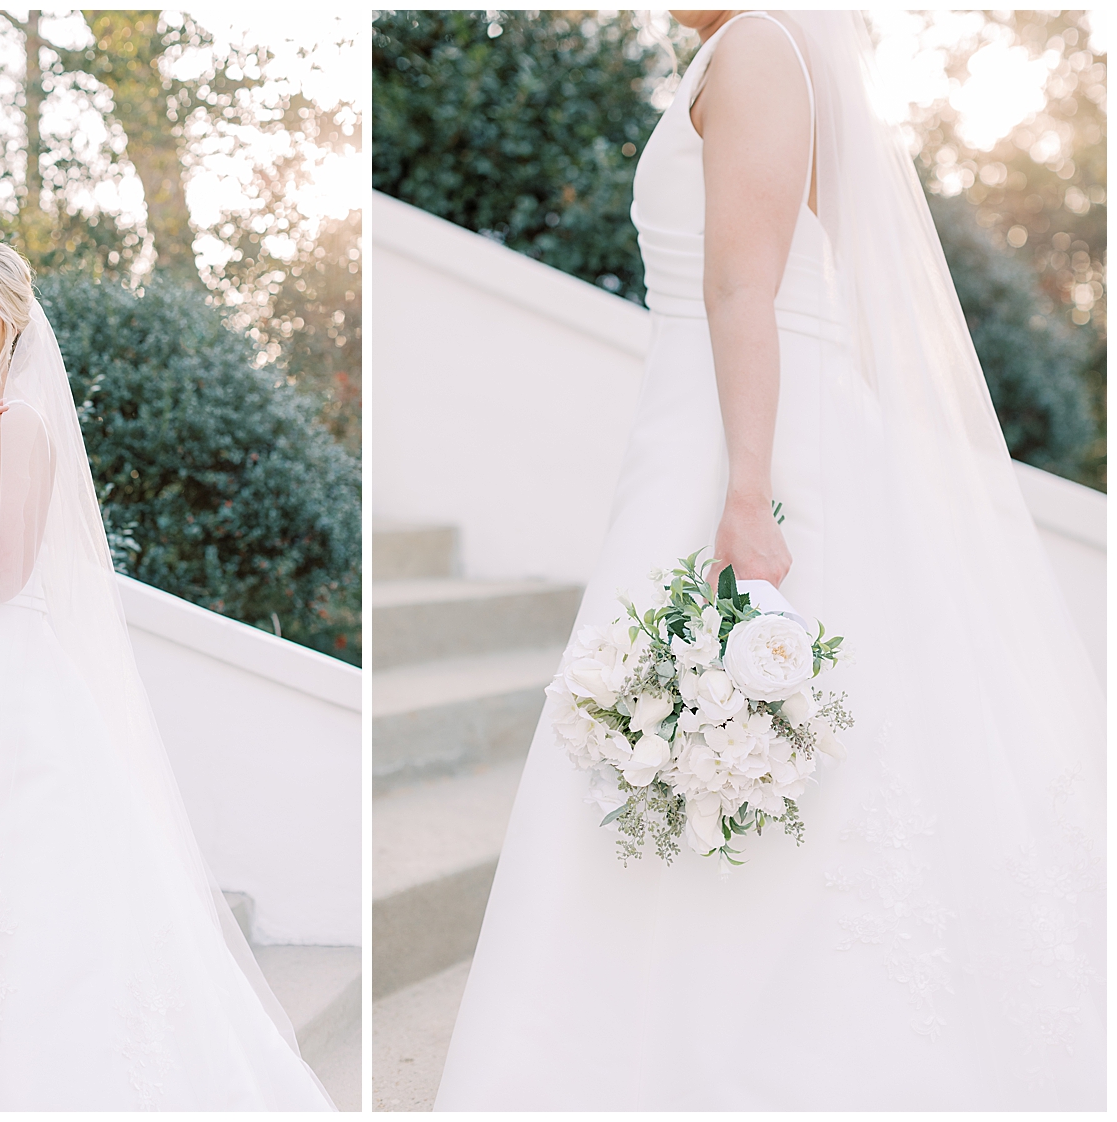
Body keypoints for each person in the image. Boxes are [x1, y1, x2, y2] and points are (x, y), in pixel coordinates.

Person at [433, 10, 1102, 1111]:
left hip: (739, 441)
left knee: (755, 721)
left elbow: (747, 287)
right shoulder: (776, 52)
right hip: (723, 425)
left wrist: (746, 494)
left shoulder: (755, 48)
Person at [0, 237, 335, 1110]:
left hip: (5, 706)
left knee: (20, 903)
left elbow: (1, 577)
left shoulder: (15, 425)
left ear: (13, 317)